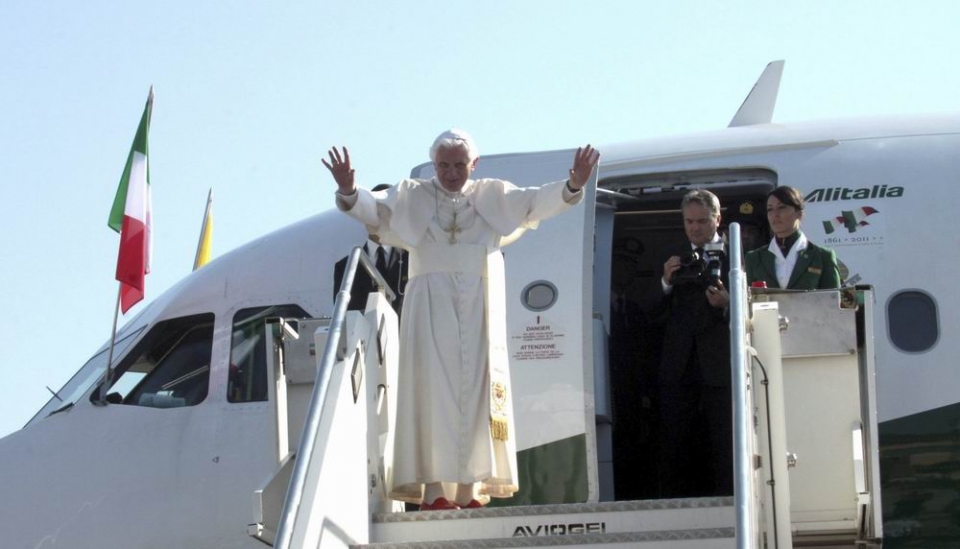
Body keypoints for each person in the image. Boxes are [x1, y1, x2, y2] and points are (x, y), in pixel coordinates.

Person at [322, 129, 599, 511]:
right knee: (430, 392)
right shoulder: (412, 195)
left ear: (474, 164)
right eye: (443, 165)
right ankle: (435, 491)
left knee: (477, 392)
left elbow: (536, 202)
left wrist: (571, 185)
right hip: (429, 303)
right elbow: (374, 209)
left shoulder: (493, 194)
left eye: (458, 166)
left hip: (480, 300)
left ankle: (470, 491)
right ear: (433, 164)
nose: (451, 174)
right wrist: (351, 190)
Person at [654, 189, 732, 498]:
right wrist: (665, 283)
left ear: (717, 218)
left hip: (721, 368)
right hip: (679, 368)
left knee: (724, 442)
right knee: (677, 443)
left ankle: (729, 501)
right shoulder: (671, 255)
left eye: (702, 221)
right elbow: (650, 314)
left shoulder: (737, 254)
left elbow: (756, 308)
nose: (695, 228)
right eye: (689, 222)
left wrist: (728, 303)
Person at [745, 186, 841, 290]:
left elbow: (833, 301)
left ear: (799, 213)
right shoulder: (754, 258)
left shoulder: (823, 257)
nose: (775, 214)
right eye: (770, 209)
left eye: (781, 207)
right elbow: (747, 302)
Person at [333, 184, 408, 314]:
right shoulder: (345, 268)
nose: (380, 217)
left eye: (387, 211)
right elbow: (343, 315)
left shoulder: (411, 261)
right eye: (375, 210)